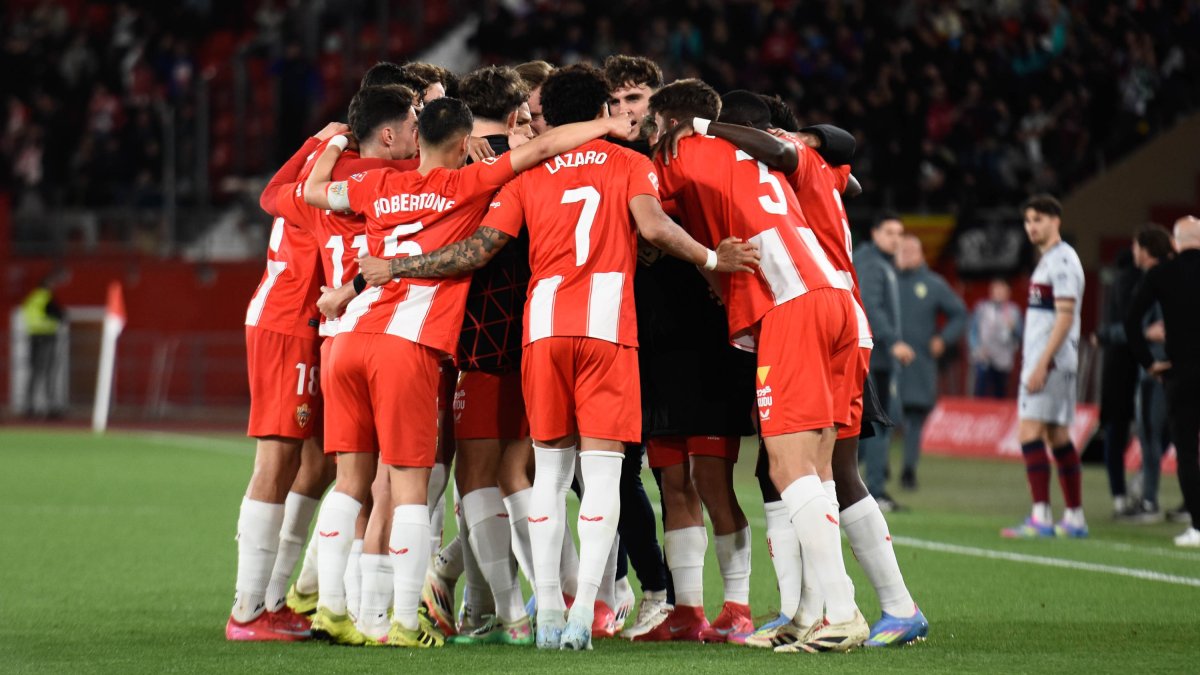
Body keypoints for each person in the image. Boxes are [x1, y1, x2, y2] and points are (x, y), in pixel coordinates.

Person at [374, 65, 757, 651]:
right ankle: (585, 613)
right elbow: (653, 226)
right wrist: (711, 259)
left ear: (548, 114)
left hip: (542, 330)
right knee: (601, 477)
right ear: (603, 108)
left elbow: (479, 249)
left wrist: (396, 266)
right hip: (606, 330)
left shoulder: (528, 175)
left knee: (546, 476)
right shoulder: (632, 164)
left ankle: (547, 608)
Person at [303, 96, 642, 648]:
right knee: (411, 486)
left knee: (352, 482)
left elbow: (315, 191)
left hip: (346, 337)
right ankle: (406, 624)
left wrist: (334, 140)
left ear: (417, 141)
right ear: (464, 144)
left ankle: (338, 611)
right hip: (406, 343)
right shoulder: (467, 184)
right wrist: (606, 124)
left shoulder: (376, 186)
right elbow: (549, 145)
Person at [659, 94, 925, 648]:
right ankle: (823, 611)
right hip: (841, 308)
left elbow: (644, 206)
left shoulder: (701, 151)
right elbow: (848, 168)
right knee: (819, 468)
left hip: (793, 303)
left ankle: (842, 609)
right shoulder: (802, 162)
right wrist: (809, 139)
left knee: (790, 466)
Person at [604, 54, 737, 643]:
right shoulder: (611, 169)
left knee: (712, 481)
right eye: (617, 102)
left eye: (637, 100)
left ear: (657, 108)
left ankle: (738, 606)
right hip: (648, 344)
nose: (626, 111)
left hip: (704, 340)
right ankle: (687, 609)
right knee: (670, 482)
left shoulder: (691, 165)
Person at [1002, 194, 1088, 539]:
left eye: (1038, 219)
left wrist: (1041, 363)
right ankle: (1075, 518)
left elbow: (1065, 317)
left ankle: (1041, 517)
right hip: (1054, 362)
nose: (1031, 227)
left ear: (1056, 220)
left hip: (1049, 363)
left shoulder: (1062, 261)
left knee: (1029, 433)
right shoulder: (1050, 260)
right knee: (1057, 435)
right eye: (1027, 221)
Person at [1125, 216, 1200, 547]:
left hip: (1180, 373)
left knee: (1187, 451)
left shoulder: (1161, 274)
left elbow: (1130, 321)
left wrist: (1150, 363)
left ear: (1174, 242)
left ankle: (1198, 526)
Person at [894, 234, 967, 490]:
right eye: (901, 250)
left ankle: (908, 470)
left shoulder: (933, 284)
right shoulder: (886, 280)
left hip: (920, 365)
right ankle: (873, 471)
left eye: (911, 250)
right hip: (888, 364)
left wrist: (943, 339)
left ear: (921, 254)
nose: (905, 254)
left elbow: (959, 313)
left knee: (914, 419)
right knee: (880, 419)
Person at [854, 212, 911, 512]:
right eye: (890, 232)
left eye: (899, 233)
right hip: (874, 356)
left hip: (875, 355)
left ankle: (850, 484)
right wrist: (893, 340)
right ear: (875, 233)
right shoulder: (871, 263)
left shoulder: (879, 263)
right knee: (878, 423)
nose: (896, 239)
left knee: (869, 425)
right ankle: (873, 491)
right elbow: (870, 306)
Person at [1123, 224, 1175, 524]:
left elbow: (1149, 328)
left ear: (1145, 249)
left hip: (1155, 370)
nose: (1133, 252)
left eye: (1135, 246)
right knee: (1171, 434)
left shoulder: (1154, 280)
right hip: (1177, 367)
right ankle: (1184, 503)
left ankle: (1149, 500)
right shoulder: (1178, 275)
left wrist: (1105, 335)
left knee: (1150, 434)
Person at [1093, 247, 1141, 518]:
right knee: (1156, 430)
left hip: (1117, 367)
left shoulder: (1122, 281)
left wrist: (1104, 334)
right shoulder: (1141, 279)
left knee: (1116, 432)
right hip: (1140, 364)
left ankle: (1121, 495)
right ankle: (1141, 487)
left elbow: (1125, 324)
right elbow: (1134, 325)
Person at [20, 275, 65, 419]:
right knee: (48, 373)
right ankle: (51, 407)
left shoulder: (32, 298)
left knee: (34, 373)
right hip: (46, 338)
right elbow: (61, 315)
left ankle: (29, 405)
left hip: (33, 338)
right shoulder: (47, 298)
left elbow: (27, 315)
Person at [968, 279, 1022, 399]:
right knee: (980, 391)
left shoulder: (1014, 311)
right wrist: (976, 348)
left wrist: (1013, 329)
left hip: (1003, 359)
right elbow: (973, 331)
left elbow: (1019, 336)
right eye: (995, 289)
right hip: (984, 357)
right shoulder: (981, 308)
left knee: (1000, 392)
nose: (998, 293)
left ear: (1008, 292)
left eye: (1001, 289)